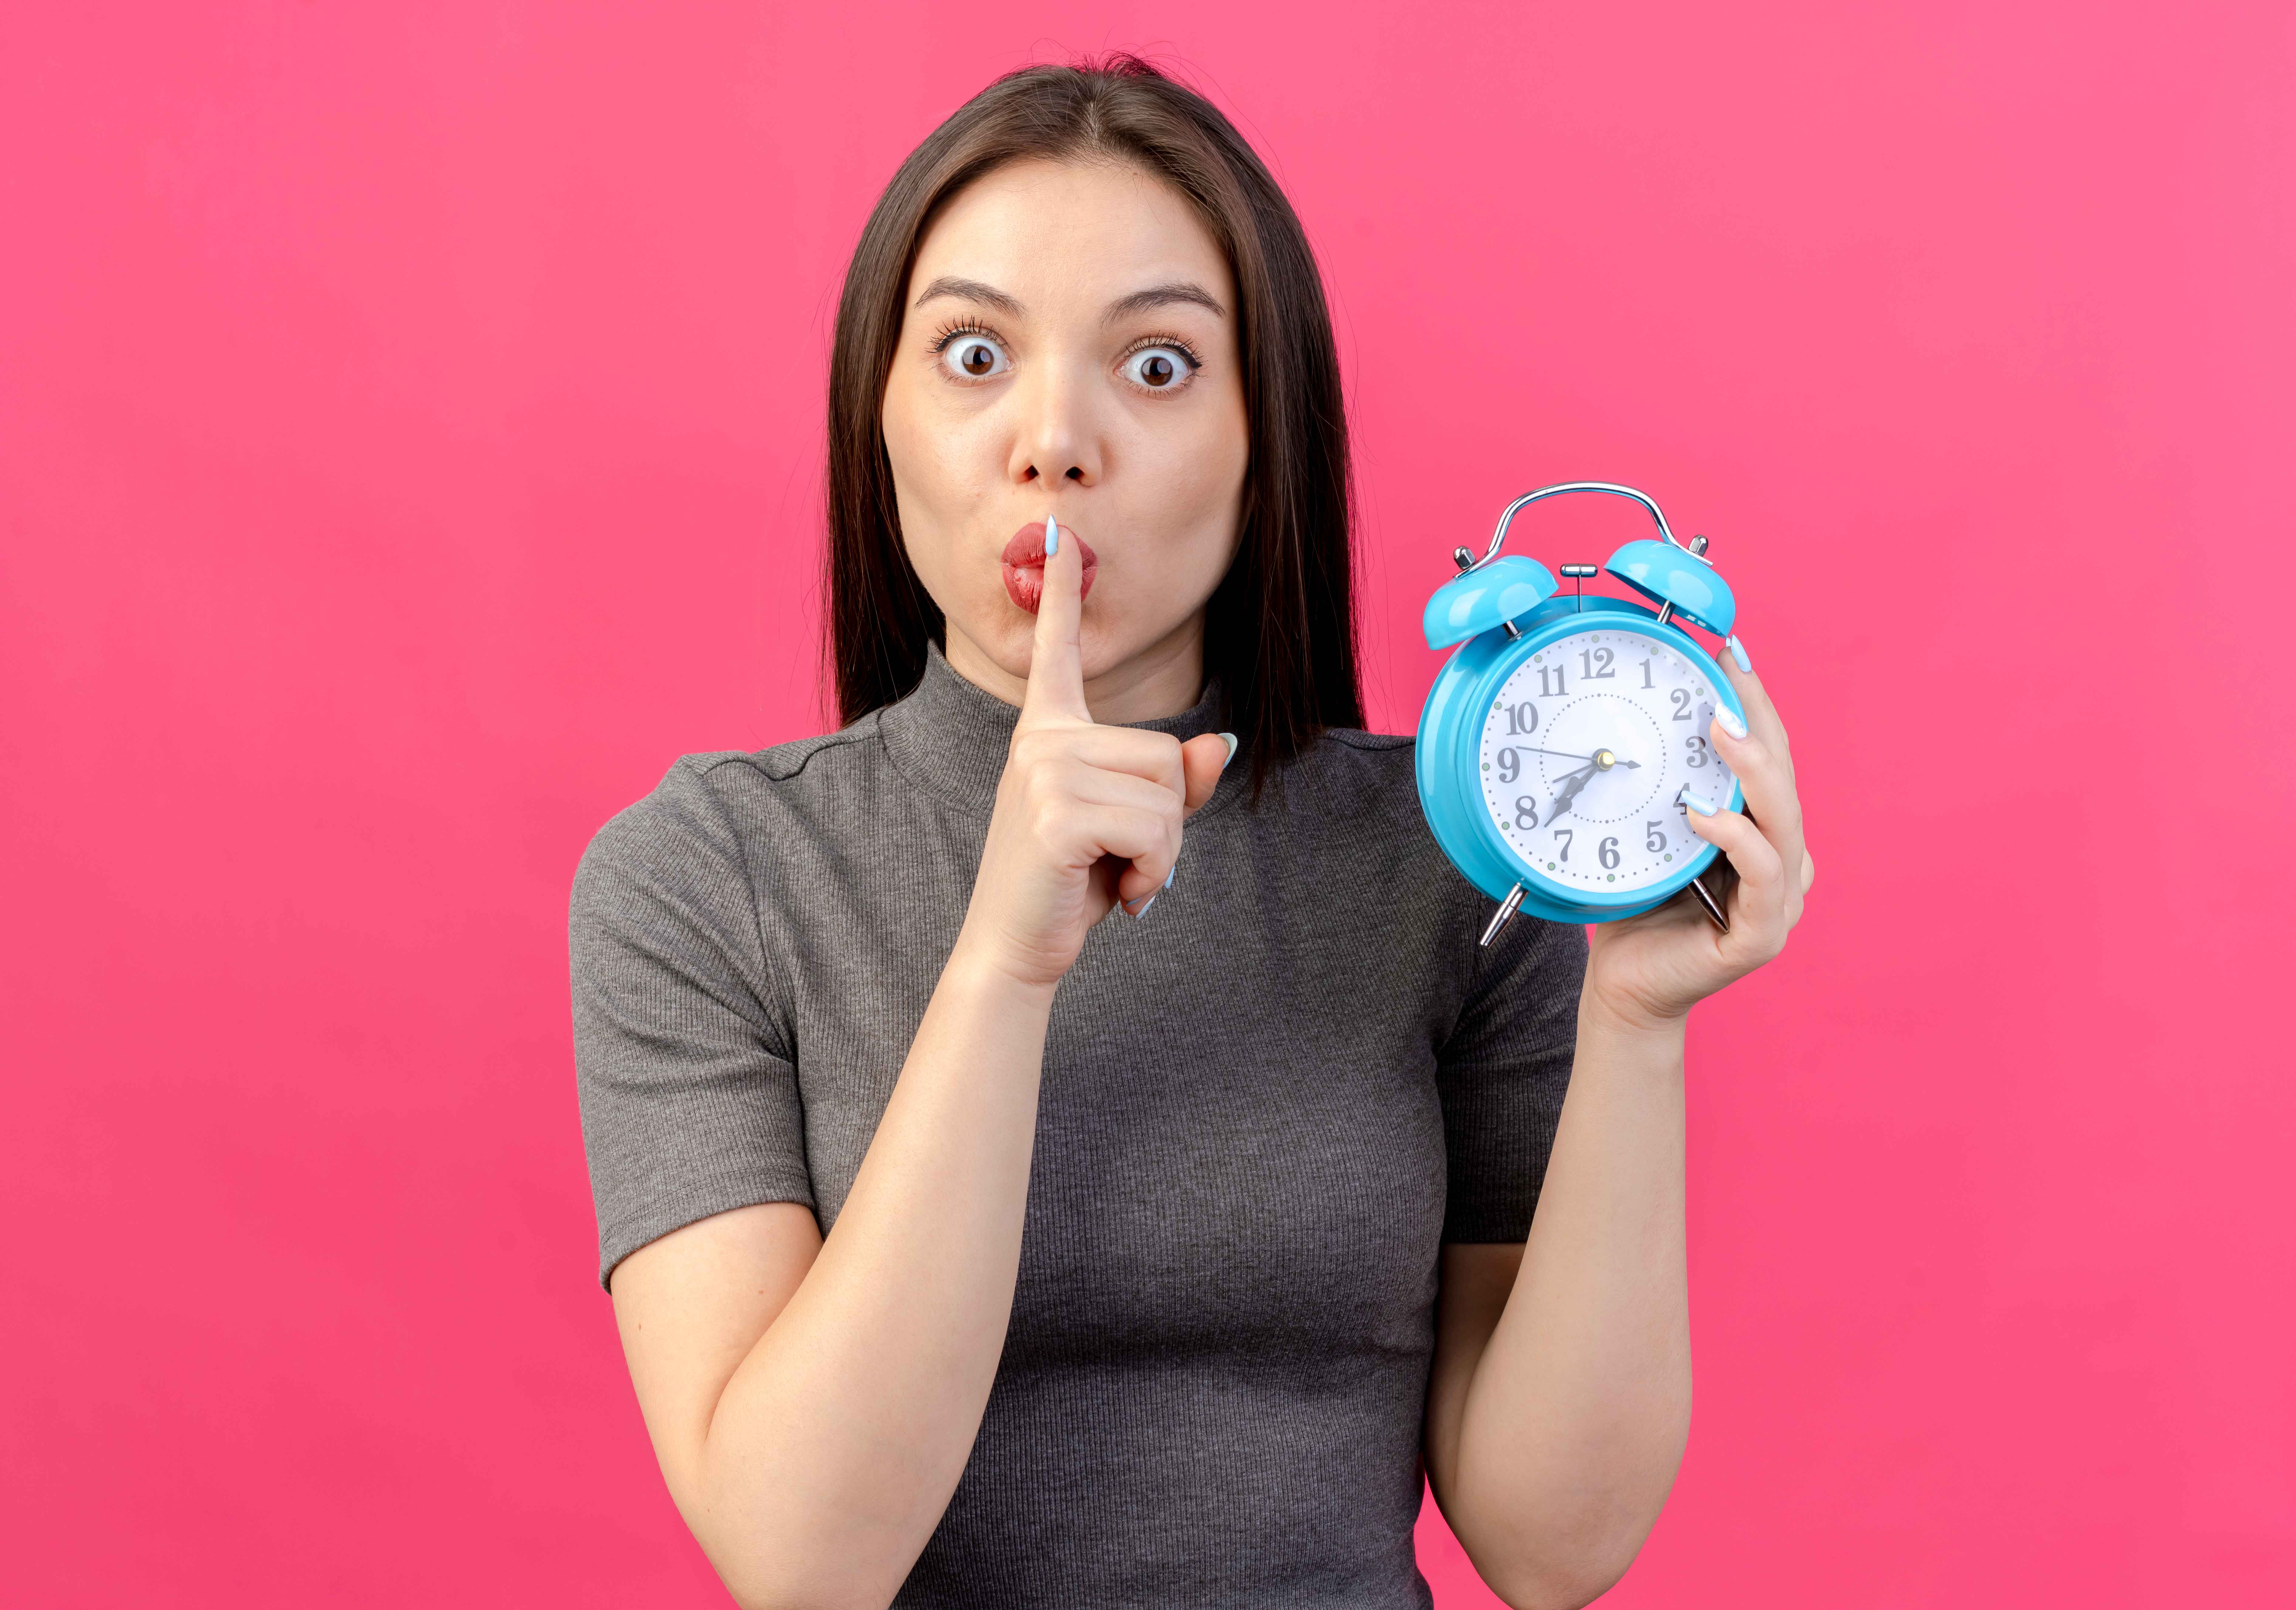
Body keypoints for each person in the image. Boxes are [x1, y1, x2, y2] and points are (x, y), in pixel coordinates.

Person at [571, 56, 1813, 1610]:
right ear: (872, 419)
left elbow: (1554, 1547)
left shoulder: (1453, 866)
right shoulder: (707, 880)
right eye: (970, 354)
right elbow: (805, 1560)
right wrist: (1004, 969)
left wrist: (1634, 1024)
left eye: (1156, 367)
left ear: (1262, 438)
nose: (1053, 441)